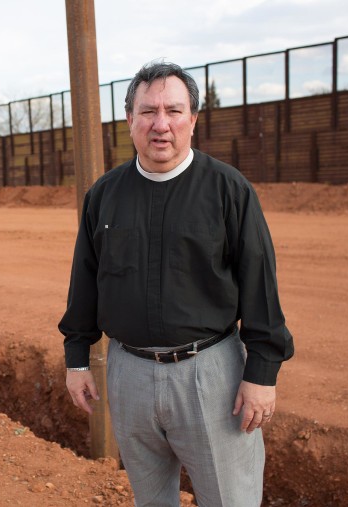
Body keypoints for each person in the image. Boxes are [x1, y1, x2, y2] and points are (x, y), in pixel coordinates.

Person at [59, 61, 294, 507]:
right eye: (147, 111)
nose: (160, 124)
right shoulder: (105, 195)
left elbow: (260, 283)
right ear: (129, 120)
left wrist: (261, 373)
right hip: (128, 373)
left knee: (230, 500)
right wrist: (76, 359)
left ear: (193, 120)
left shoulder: (229, 190)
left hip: (211, 376)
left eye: (173, 110)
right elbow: (86, 279)